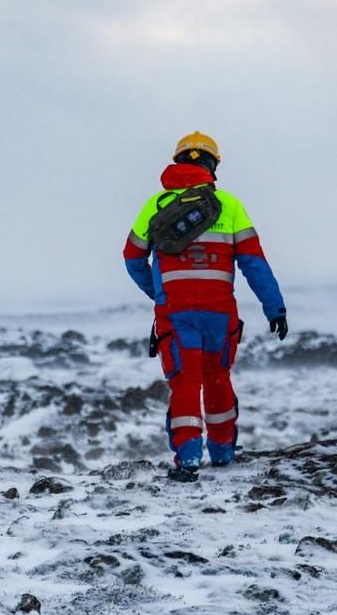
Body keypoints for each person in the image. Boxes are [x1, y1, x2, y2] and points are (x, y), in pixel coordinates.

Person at [123, 132, 288, 480]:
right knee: (218, 379)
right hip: (219, 313)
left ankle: (188, 460)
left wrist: (159, 292)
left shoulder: (155, 205)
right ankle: (224, 453)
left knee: (185, 383)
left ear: (178, 161)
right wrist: (275, 308)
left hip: (176, 313)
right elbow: (254, 262)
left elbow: (132, 258)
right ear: (212, 165)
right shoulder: (229, 205)